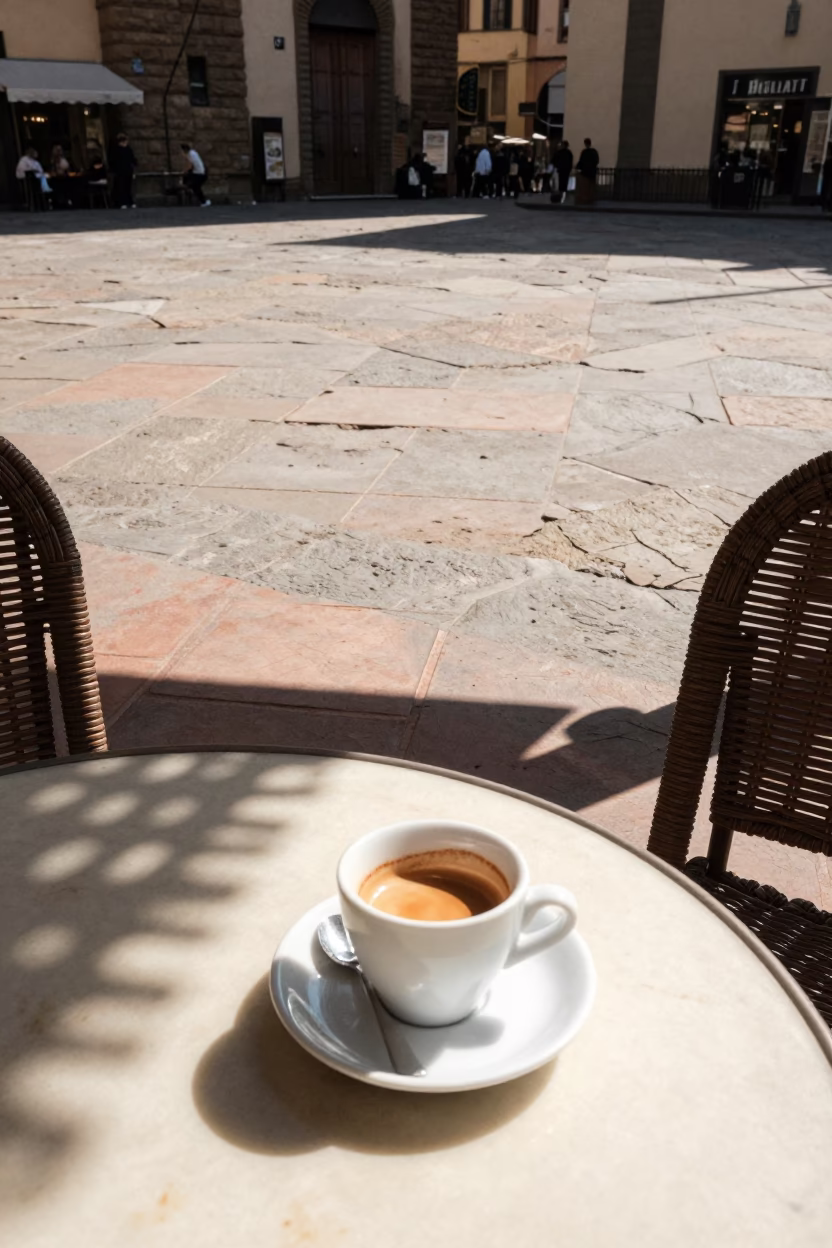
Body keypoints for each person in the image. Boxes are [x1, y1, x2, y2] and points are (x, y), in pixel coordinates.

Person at [109, 132, 137, 208]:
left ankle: (128, 201)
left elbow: (132, 159)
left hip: (125, 170)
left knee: (127, 186)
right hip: (121, 170)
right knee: (122, 187)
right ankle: (123, 202)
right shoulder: (118, 150)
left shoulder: (126, 149)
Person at [181, 142, 210, 206]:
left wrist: (184, 171)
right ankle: (203, 201)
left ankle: (204, 201)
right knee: (195, 187)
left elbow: (190, 165)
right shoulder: (193, 153)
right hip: (198, 172)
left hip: (199, 173)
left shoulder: (190, 154)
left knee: (195, 187)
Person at [575, 137, 599, 206]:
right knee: (591, 187)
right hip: (592, 172)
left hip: (585, 172)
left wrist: (579, 167)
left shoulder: (584, 152)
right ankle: (591, 199)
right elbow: (596, 161)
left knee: (585, 187)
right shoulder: (594, 152)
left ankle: (585, 199)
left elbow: (581, 161)